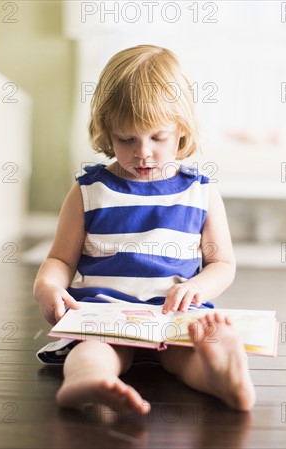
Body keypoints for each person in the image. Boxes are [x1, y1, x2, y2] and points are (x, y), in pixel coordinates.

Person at [33, 45, 255, 413]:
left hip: (174, 319)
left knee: (189, 358)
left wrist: (196, 287)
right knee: (92, 352)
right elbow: (60, 257)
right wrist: (48, 285)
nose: (143, 153)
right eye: (126, 139)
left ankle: (224, 378)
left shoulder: (200, 191)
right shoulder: (89, 191)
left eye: (157, 137)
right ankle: (89, 381)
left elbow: (222, 264)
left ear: (181, 129)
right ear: (107, 131)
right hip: (105, 316)